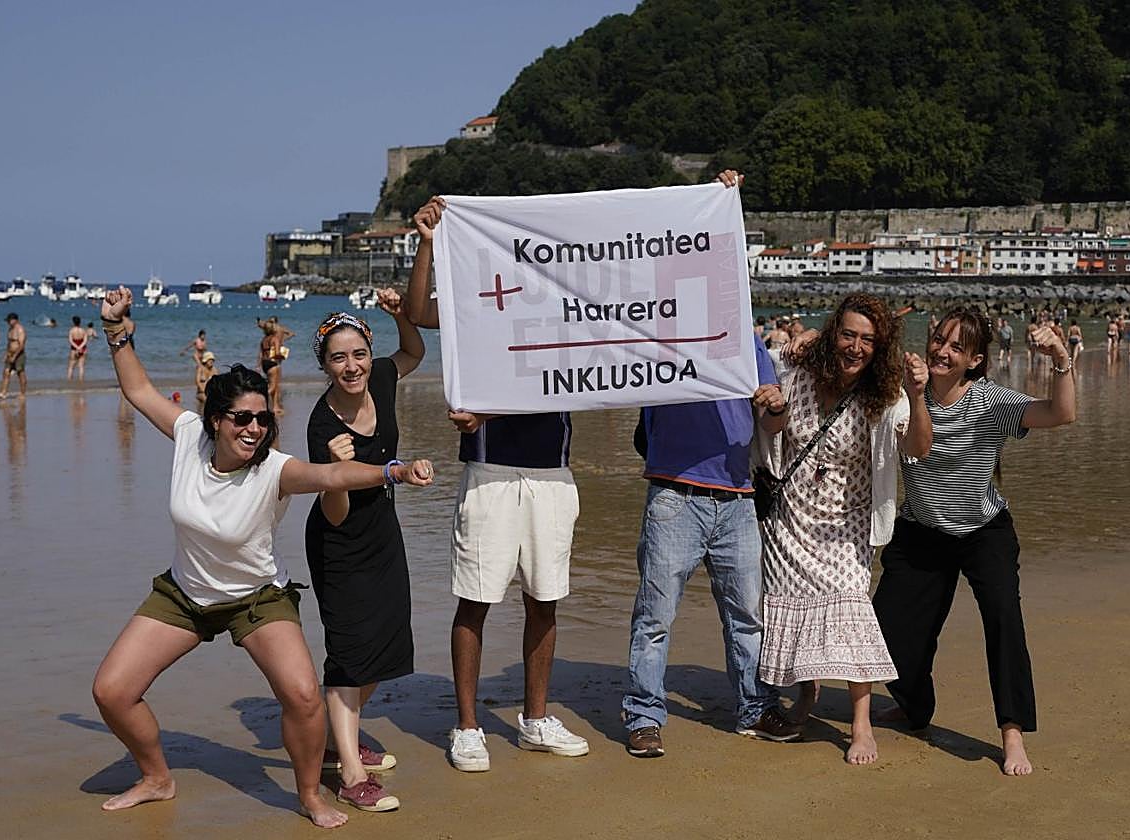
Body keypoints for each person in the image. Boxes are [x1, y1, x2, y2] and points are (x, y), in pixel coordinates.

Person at [88, 286, 433, 828]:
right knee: (111, 690)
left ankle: (312, 794)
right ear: (215, 420)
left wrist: (393, 471)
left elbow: (332, 475)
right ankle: (156, 777)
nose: (253, 428)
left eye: (261, 417)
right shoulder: (186, 437)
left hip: (257, 599)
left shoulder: (275, 468)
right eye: (240, 418)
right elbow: (137, 388)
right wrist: (116, 328)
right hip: (184, 595)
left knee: (301, 696)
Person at [618, 171, 800, 760]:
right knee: (655, 615)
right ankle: (645, 714)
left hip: (739, 496)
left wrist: (775, 406)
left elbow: (771, 423)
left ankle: (754, 706)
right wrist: (705, 197)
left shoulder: (750, 345)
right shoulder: (657, 337)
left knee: (747, 617)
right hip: (675, 494)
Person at [404, 195, 590, 773]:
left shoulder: (571, 310)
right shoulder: (482, 301)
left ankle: (535, 720)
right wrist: (428, 243)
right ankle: (466, 726)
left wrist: (711, 202)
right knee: (475, 602)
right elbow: (417, 312)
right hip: (488, 473)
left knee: (545, 600)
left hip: (552, 475)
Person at [872, 307, 1076, 777]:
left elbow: (1062, 413)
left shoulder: (989, 402)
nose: (942, 351)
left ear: (975, 360)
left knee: (1004, 618)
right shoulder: (901, 395)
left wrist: (1061, 358)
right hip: (921, 530)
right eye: (939, 340)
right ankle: (914, 706)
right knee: (888, 629)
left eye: (956, 347)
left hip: (984, 532)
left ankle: (1012, 731)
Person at [754, 293, 932, 765]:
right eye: (849, 335)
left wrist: (917, 396)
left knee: (851, 610)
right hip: (790, 519)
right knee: (794, 611)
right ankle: (807, 695)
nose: (856, 347)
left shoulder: (887, 394)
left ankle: (860, 723)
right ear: (834, 335)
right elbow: (771, 432)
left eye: (868, 339)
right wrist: (772, 406)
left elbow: (917, 448)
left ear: (880, 346)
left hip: (847, 522)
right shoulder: (798, 378)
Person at [304, 300, 426, 812]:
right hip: (340, 541)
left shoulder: (380, 377)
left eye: (357, 354)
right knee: (351, 650)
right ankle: (350, 773)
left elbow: (414, 352)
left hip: (383, 531)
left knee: (387, 639)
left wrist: (402, 315)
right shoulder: (320, 425)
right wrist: (340, 470)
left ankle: (338, 738)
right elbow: (333, 510)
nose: (351, 366)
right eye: (338, 359)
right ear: (324, 365)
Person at [0, 312, 27, 399]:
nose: (8, 322)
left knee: (20, 373)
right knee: (6, 373)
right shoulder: (10, 329)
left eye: (9, 320)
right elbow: (9, 343)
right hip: (10, 353)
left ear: (15, 320)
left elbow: (21, 345)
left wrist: (15, 356)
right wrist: (6, 354)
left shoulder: (20, 329)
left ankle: (22, 393)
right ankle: (3, 392)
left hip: (19, 354)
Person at [258, 320, 286, 413]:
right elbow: (277, 353)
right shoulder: (275, 339)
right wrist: (283, 355)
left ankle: (275, 407)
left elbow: (261, 354)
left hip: (265, 363)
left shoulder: (264, 340)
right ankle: (259, 398)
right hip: (273, 363)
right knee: (273, 387)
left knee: (275, 386)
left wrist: (258, 365)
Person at [68, 316, 88, 381]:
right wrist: (80, 347)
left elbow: (71, 341)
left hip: (74, 349)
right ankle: (81, 380)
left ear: (73, 322)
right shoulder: (83, 330)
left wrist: (77, 347)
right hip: (83, 349)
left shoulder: (72, 330)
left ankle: (69, 381)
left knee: (71, 367)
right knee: (81, 367)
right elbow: (85, 341)